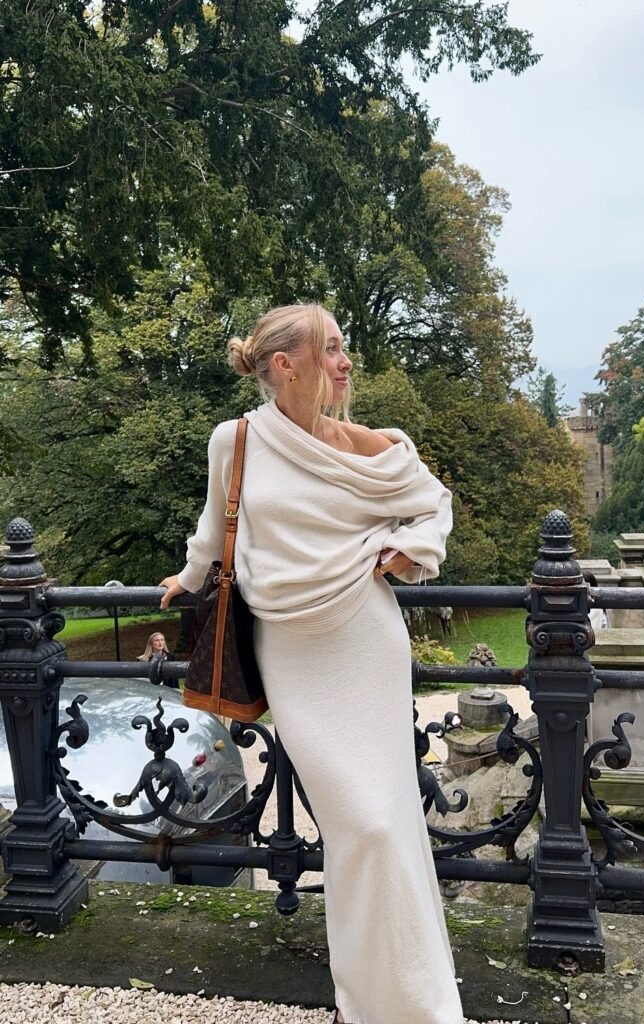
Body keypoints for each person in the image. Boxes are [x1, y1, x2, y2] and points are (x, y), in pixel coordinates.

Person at [159, 303, 463, 1024]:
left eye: (342, 346)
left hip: (365, 641)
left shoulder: (372, 445)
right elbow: (214, 527)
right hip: (290, 651)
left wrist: (408, 551)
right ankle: (371, 1000)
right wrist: (189, 577)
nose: (345, 360)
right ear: (285, 364)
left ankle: (414, 1003)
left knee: (386, 824)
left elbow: (432, 505)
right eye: (330, 348)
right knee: (361, 827)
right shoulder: (235, 440)